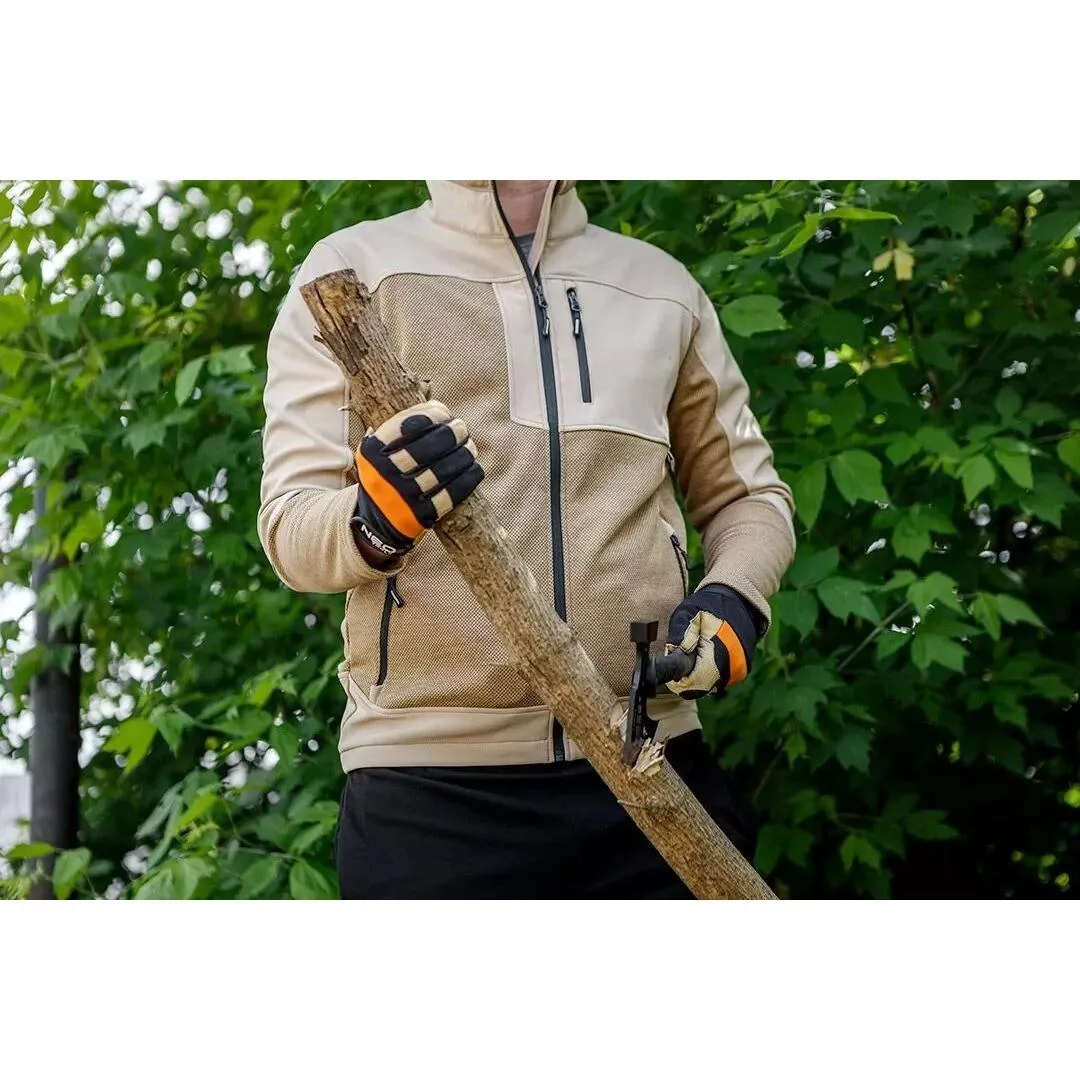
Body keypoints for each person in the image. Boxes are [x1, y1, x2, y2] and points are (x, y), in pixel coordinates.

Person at [259, 180, 795, 899]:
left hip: (655, 764)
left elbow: (748, 497)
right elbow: (290, 525)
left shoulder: (662, 289)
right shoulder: (355, 270)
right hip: (429, 795)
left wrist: (735, 594)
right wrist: (373, 520)